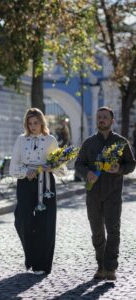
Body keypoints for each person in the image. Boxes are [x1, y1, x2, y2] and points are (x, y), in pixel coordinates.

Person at [75, 107, 135, 281]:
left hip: (113, 194)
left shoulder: (121, 142)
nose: (101, 119)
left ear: (112, 121)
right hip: (93, 194)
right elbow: (79, 164)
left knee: (113, 231)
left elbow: (131, 164)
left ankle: (110, 268)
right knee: (97, 232)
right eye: (99, 117)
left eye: (105, 117)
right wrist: (86, 173)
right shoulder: (88, 143)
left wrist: (119, 168)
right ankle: (100, 265)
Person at [9, 108, 66, 275]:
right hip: (25, 182)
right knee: (22, 220)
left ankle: (42, 264)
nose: (33, 126)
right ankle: (32, 255)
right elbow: (13, 168)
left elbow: (62, 170)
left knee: (46, 224)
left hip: (46, 183)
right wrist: (26, 172)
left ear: (42, 122)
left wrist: (52, 167)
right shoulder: (21, 140)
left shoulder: (50, 140)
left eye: (36, 123)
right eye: (30, 123)